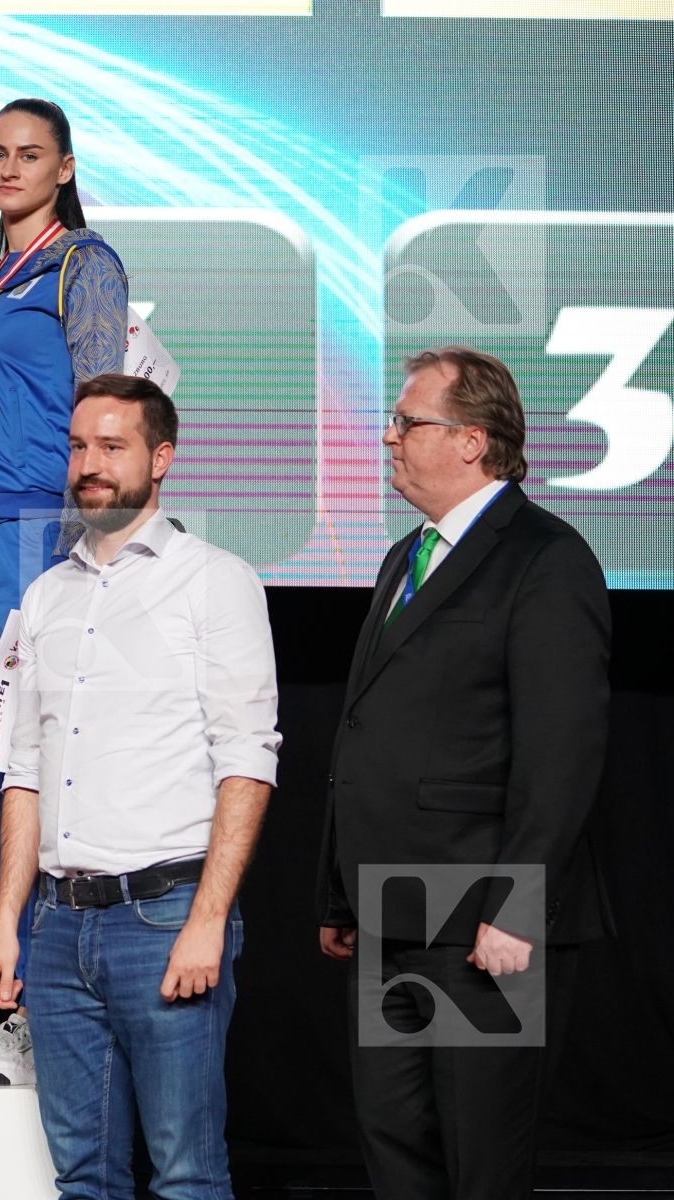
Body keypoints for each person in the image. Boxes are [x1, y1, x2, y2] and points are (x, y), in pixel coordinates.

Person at [316, 347, 612, 1199]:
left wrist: (515, 908)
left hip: (481, 915)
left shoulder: (545, 559)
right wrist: (341, 896)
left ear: (473, 440)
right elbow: (368, 731)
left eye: (409, 422)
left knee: (478, 1160)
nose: (388, 437)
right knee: (396, 1147)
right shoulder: (406, 555)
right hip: (389, 904)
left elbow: (564, 752)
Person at [0, 373, 280, 1198]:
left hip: (164, 919)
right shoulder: (47, 595)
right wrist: (8, 924)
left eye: (112, 446)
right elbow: (26, 771)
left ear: (162, 458)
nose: (90, 465)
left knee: (185, 1174)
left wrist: (208, 922)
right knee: (84, 1177)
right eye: (79, 446)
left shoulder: (216, 581)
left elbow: (247, 759)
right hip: (57, 926)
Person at [0, 97, 130, 1088]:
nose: (9, 168)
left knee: (36, 772)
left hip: (32, 535)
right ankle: (26, 1001)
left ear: (63, 168)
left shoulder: (80, 265)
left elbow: (104, 408)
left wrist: (76, 546)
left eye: (29, 155)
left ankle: (50, 1009)